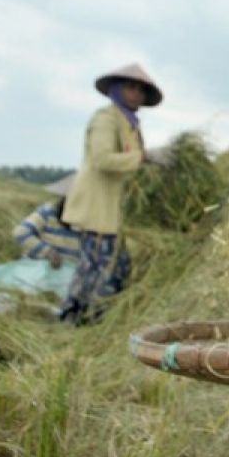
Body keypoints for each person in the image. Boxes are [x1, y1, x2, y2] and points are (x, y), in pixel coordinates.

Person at [57, 63, 163, 325]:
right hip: (97, 208)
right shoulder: (105, 119)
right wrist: (144, 157)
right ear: (117, 89)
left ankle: (96, 317)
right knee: (96, 268)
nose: (136, 94)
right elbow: (103, 159)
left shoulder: (129, 123)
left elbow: (132, 159)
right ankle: (77, 318)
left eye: (141, 90)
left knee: (117, 266)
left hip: (112, 209)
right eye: (131, 87)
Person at [12, 180, 81, 269]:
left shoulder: (91, 224)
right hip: (34, 271)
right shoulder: (48, 212)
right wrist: (49, 252)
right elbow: (21, 233)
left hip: (64, 276)